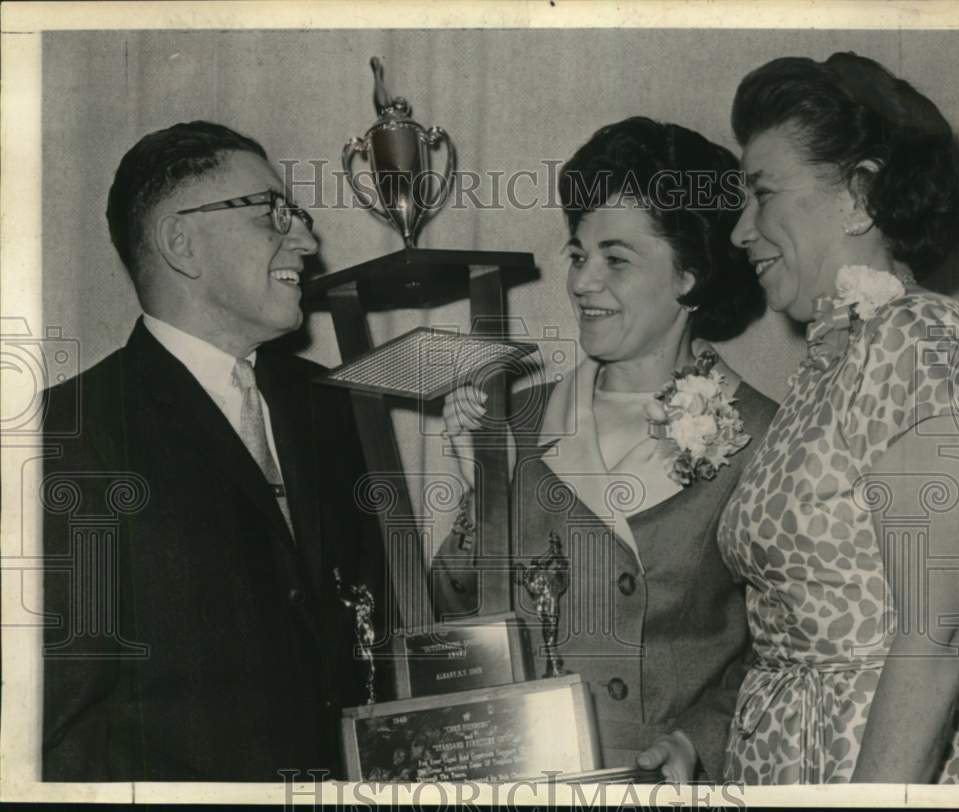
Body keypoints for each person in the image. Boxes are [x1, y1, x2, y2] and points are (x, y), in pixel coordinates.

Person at [433, 117, 778, 780]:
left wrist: (701, 738)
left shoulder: (761, 434)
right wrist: (480, 498)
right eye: (578, 254)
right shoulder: (517, 420)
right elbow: (454, 625)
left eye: (615, 259)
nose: (582, 282)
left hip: (654, 780)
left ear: (689, 275)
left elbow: (783, 645)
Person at [41, 121, 375, 780]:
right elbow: (57, 733)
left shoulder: (332, 403)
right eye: (271, 215)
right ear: (180, 243)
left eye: (297, 214)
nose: (305, 240)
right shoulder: (70, 434)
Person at [713, 52, 959, 784]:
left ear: (860, 196)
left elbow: (943, 628)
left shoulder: (914, 340)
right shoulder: (839, 355)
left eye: (763, 193)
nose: (742, 230)